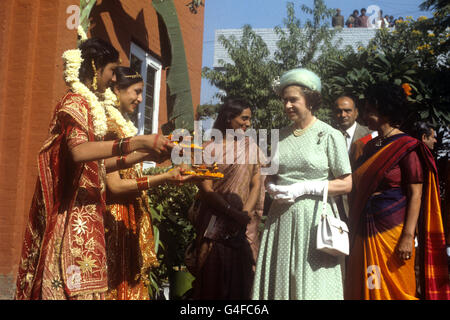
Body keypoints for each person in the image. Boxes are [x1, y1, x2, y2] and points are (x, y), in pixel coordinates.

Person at [15, 37, 176, 300]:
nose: (114, 79)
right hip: (72, 216)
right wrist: (137, 141)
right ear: (94, 65)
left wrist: (148, 152)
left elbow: (100, 163)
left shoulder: (89, 106)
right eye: (112, 70)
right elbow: (79, 151)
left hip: (90, 213)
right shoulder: (75, 102)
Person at [252, 68, 352, 300]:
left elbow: (347, 184)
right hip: (281, 220)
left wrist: (306, 188)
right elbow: (270, 176)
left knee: (312, 287)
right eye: (284, 100)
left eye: (293, 99)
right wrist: (272, 188)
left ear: (310, 100)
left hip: (315, 220)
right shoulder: (278, 136)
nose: (287, 105)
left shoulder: (329, 135)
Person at [345, 82, 450, 300]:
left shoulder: (406, 147)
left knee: (396, 288)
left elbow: (416, 195)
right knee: (368, 286)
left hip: (393, 233)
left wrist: (407, 236)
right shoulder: (370, 147)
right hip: (365, 230)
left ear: (384, 110)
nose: (364, 114)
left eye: (369, 109)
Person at [103, 66, 192, 300]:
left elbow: (126, 165)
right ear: (116, 90)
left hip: (128, 216)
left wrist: (157, 154)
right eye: (136, 91)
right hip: (114, 217)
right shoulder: (108, 126)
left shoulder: (122, 124)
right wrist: (164, 177)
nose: (141, 99)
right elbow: (115, 186)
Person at [190, 98, 265, 299]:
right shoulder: (207, 149)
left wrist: (245, 214)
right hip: (214, 225)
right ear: (229, 118)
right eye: (244, 118)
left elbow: (256, 183)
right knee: (211, 280)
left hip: (242, 228)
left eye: (249, 119)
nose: (248, 124)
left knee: (241, 283)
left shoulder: (251, 148)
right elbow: (206, 190)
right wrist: (233, 214)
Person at [333, 95, 372, 167]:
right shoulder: (329, 135)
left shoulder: (371, 135)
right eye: (339, 111)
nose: (343, 115)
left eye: (347, 111)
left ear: (356, 112)